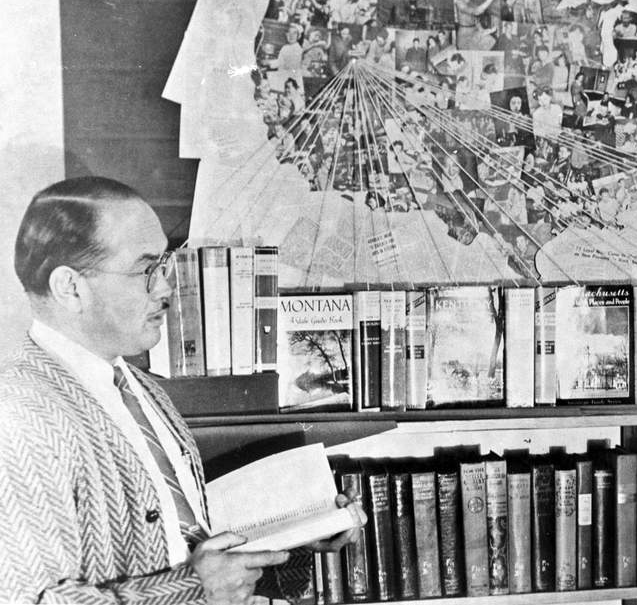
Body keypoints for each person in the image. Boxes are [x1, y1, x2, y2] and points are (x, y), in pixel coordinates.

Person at [0, 177, 366, 603]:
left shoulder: (142, 391)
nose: (166, 288)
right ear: (70, 287)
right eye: (146, 270)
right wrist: (194, 588)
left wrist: (301, 530)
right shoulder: (19, 411)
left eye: (165, 266)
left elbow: (181, 548)